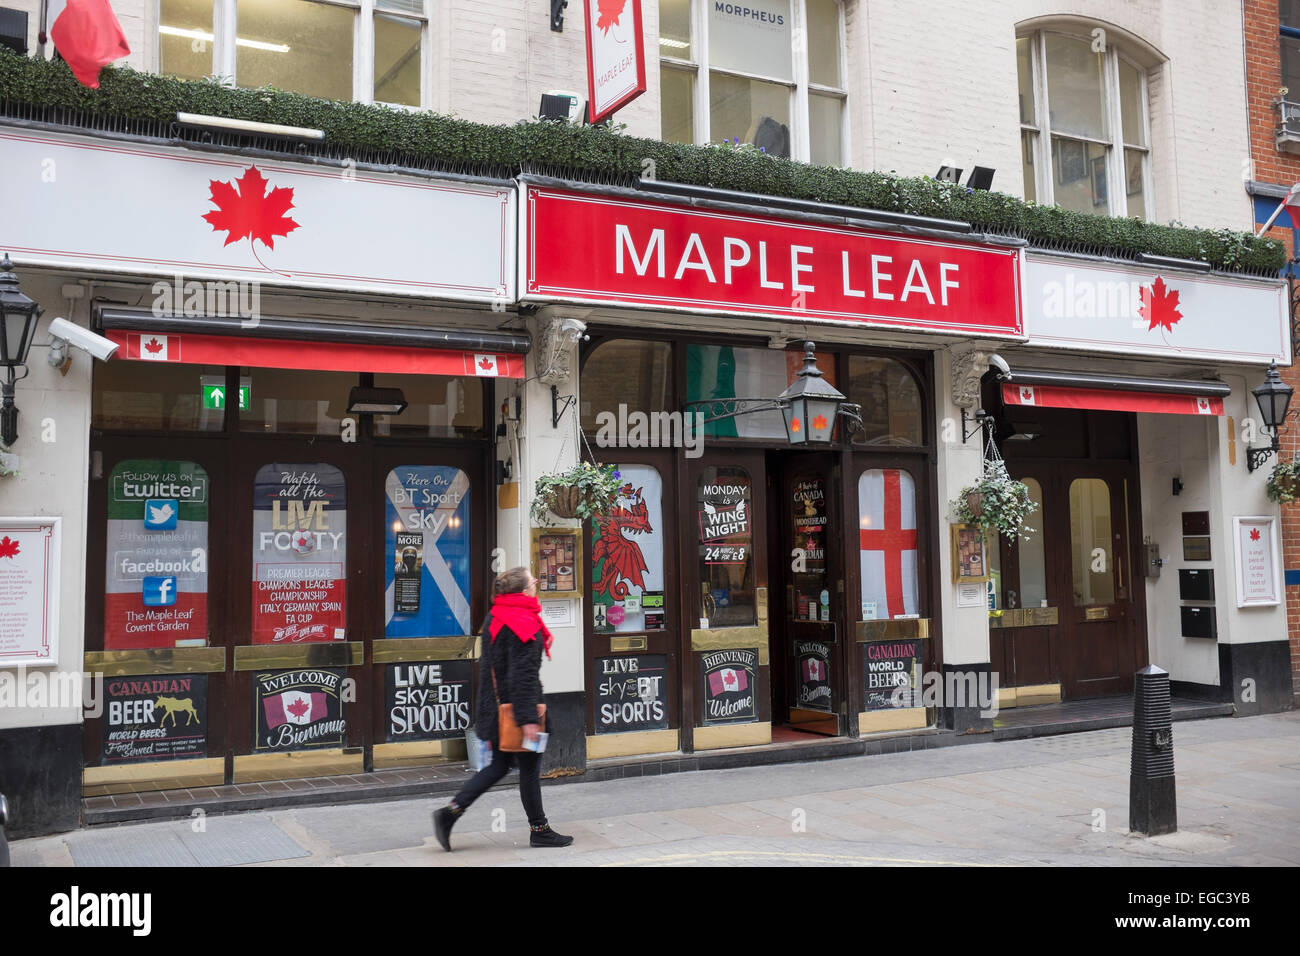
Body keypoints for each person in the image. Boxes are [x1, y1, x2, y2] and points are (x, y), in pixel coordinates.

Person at [433, 566, 573, 850]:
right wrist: (528, 719)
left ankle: (450, 813)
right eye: (533, 580)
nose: (537, 582)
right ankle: (540, 830)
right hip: (518, 711)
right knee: (529, 769)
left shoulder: (496, 616)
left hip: (495, 709)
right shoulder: (524, 623)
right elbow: (522, 676)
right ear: (524, 591)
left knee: (498, 766)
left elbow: (494, 669)